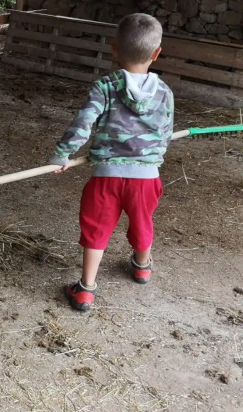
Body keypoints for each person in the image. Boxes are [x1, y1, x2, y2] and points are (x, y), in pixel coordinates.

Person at [49, 13, 174, 311]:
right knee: (143, 222)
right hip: (146, 178)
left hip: (106, 176)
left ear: (114, 49)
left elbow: (84, 121)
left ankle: (86, 289)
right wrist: (153, 158)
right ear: (156, 54)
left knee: (97, 228)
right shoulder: (165, 93)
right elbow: (166, 133)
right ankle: (142, 266)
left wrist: (63, 154)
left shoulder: (105, 86)